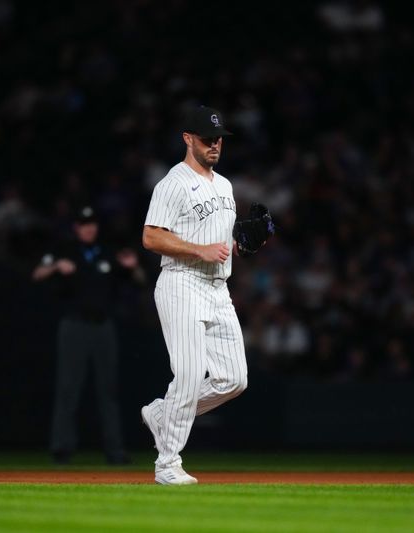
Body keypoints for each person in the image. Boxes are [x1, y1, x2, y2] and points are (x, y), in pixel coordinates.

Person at [141, 105, 249, 485]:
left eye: (218, 138)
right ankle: (167, 464)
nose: (214, 144)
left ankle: (163, 414)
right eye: (206, 138)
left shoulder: (224, 186)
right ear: (187, 139)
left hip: (218, 288)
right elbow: (151, 236)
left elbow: (218, 243)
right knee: (187, 375)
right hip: (182, 281)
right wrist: (198, 250)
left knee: (234, 380)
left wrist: (239, 245)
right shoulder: (172, 183)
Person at [33, 205, 143, 465]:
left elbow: (138, 279)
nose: (89, 227)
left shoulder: (107, 251)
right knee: (68, 387)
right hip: (74, 326)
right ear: (76, 228)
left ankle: (115, 451)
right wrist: (56, 267)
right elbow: (37, 273)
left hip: (103, 326)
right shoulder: (65, 250)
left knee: (109, 390)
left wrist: (133, 266)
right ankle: (62, 448)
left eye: (92, 223)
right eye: (84, 224)